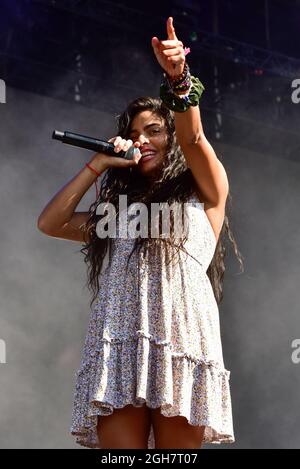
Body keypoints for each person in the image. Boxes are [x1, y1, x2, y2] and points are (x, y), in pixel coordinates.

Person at [37, 17, 244, 449]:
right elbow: (51, 222)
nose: (142, 140)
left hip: (179, 340)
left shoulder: (206, 191)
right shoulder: (117, 215)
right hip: (120, 340)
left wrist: (179, 80)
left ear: (170, 138)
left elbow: (195, 138)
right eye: (133, 134)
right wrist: (98, 164)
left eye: (153, 131)